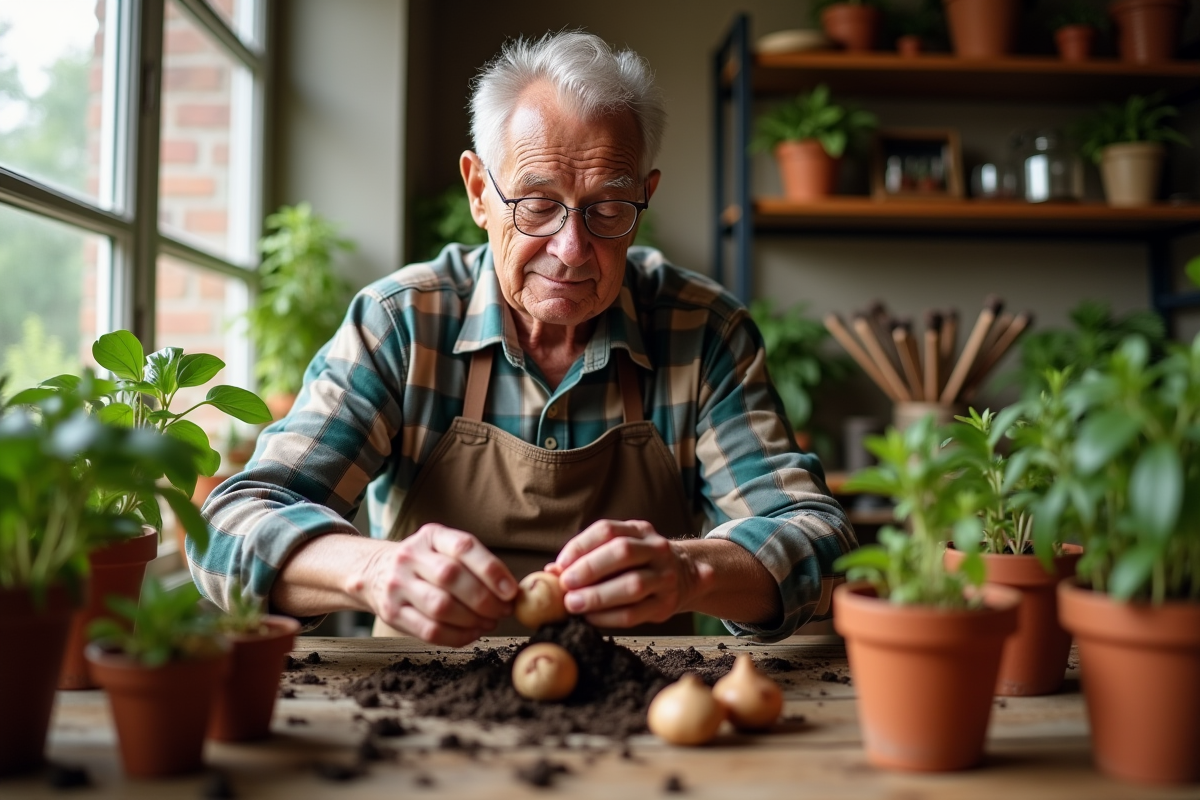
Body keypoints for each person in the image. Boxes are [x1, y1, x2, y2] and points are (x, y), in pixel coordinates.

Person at [194, 31, 856, 647]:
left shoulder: (702, 332)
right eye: (537, 204)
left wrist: (688, 572)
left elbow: (817, 539)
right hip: (413, 718)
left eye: (607, 209)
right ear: (480, 191)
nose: (571, 249)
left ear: (644, 200)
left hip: (642, 718)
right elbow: (230, 527)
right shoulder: (400, 325)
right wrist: (373, 570)